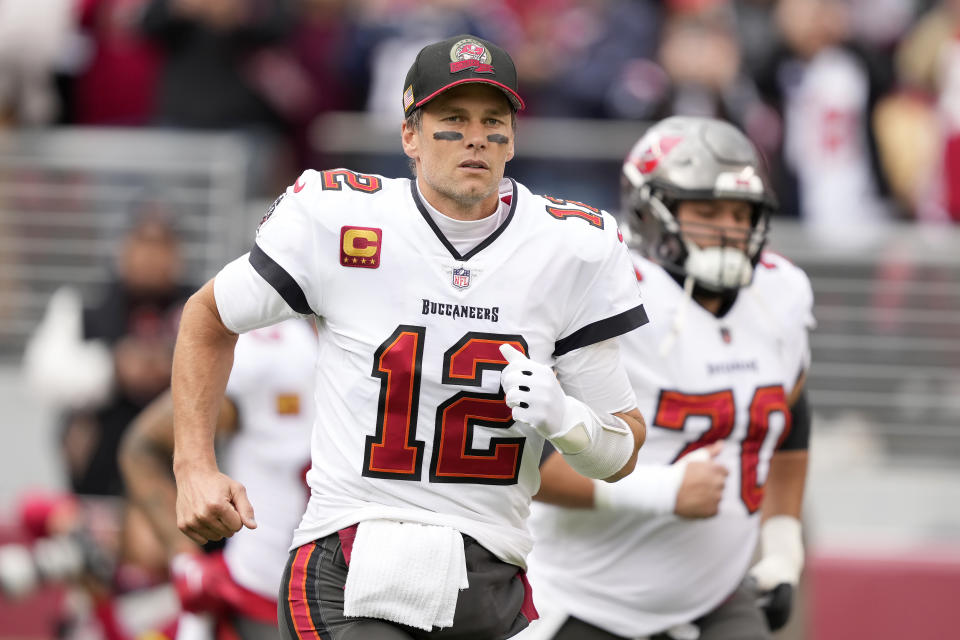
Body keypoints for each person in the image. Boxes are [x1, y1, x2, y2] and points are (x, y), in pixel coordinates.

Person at [171, 34, 649, 640]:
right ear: (410, 135)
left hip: (490, 573)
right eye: (452, 119)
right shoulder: (340, 218)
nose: (475, 137)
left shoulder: (570, 249)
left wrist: (564, 418)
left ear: (511, 139)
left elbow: (622, 453)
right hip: (351, 556)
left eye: (492, 121)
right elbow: (208, 316)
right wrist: (194, 467)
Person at [522, 116, 814, 640]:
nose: (729, 228)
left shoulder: (782, 293)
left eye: (741, 212)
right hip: (587, 601)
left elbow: (789, 422)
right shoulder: (607, 292)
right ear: (649, 212)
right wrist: (661, 490)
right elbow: (526, 464)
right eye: (706, 211)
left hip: (715, 597)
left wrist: (784, 547)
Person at [120, 318, 317, 640]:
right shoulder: (272, 353)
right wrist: (185, 560)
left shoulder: (413, 336)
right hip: (262, 604)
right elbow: (143, 447)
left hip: (376, 603)